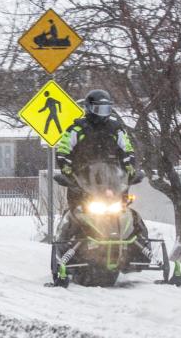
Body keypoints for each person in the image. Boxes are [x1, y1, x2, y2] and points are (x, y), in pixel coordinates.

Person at [54, 90, 150, 260]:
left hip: (112, 184)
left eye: (106, 109)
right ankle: (64, 252)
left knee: (131, 216)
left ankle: (142, 252)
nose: (103, 114)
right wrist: (66, 169)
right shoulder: (77, 128)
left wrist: (130, 167)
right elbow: (63, 150)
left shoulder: (115, 128)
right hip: (83, 184)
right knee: (74, 215)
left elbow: (127, 148)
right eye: (99, 109)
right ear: (89, 108)